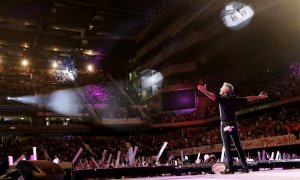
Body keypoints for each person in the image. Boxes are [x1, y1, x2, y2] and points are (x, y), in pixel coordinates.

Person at [197, 82, 268, 174]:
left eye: (221, 88)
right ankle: (245, 167)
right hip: (233, 124)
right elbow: (247, 98)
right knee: (238, 146)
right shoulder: (234, 99)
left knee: (227, 147)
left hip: (225, 124)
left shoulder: (222, 99)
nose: (220, 89)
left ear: (225, 90)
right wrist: (259, 97)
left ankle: (230, 168)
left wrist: (205, 91)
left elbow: (212, 96)